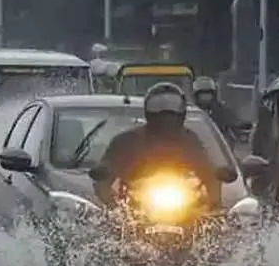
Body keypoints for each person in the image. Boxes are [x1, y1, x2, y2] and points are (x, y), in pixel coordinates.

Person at [92, 82, 222, 209]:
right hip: (134, 210)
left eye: (172, 110)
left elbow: (208, 170)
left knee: (216, 226)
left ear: (182, 113)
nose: (166, 117)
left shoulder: (190, 140)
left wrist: (213, 202)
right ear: (148, 111)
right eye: (159, 110)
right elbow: (104, 175)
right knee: (104, 227)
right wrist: (113, 205)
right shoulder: (127, 141)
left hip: (185, 208)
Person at [192, 76, 243, 143]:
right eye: (202, 95)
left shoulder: (223, 112)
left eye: (208, 94)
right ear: (196, 96)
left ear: (214, 95)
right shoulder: (191, 112)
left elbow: (236, 125)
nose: (205, 98)